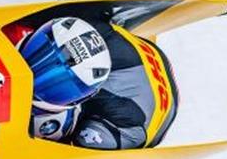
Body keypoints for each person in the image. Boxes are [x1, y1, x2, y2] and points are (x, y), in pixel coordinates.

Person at [15, 15, 178, 149]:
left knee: (61, 134)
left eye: (62, 85)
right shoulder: (80, 26)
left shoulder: (115, 128)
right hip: (132, 54)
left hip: (135, 120)